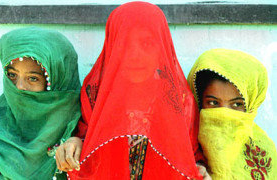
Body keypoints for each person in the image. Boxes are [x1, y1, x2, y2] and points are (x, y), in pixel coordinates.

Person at [56, 2, 210, 180]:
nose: (135, 55)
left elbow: (190, 153)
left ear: (161, 47)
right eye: (125, 44)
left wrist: (199, 168)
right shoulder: (95, 96)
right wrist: (75, 143)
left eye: (146, 43)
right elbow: (87, 137)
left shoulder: (179, 101)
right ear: (112, 45)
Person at [0, 27, 81, 179]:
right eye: (12, 75)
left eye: (33, 78)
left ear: (58, 81)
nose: (19, 86)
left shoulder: (79, 130)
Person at [187, 48, 277, 179]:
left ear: (250, 106)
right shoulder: (184, 149)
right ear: (198, 101)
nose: (224, 114)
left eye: (236, 105)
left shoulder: (264, 153)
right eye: (213, 103)